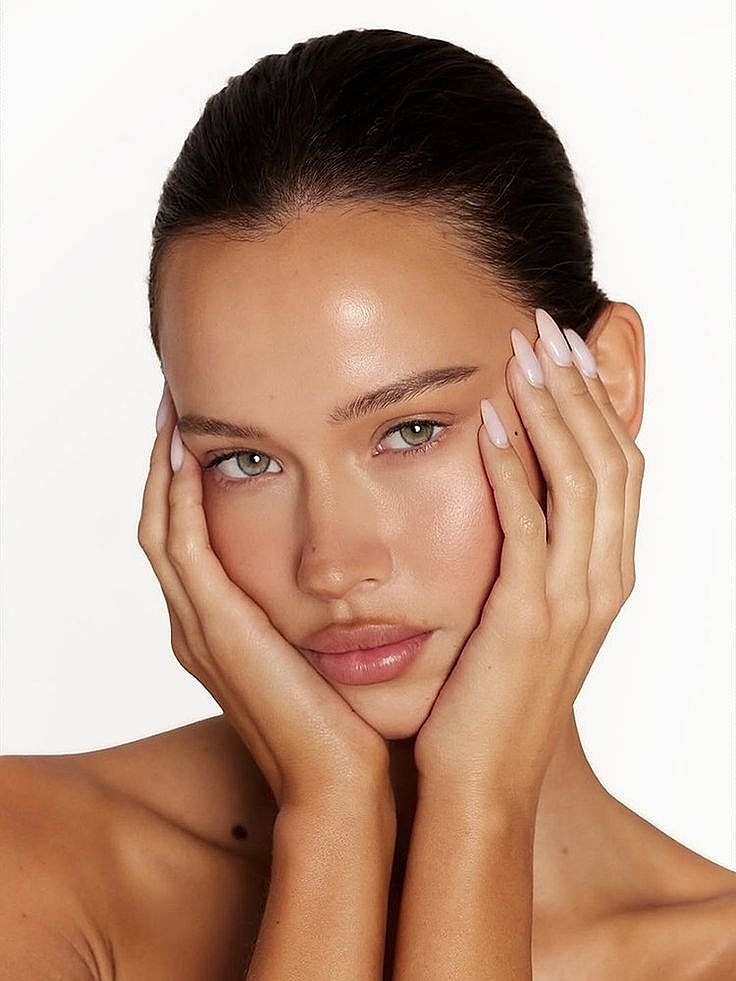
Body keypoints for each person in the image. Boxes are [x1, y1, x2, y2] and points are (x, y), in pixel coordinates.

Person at [1, 26, 734, 980]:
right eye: (246, 460)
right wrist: (332, 819)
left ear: (607, 383)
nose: (332, 563)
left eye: (412, 432)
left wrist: (477, 805)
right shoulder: (37, 863)